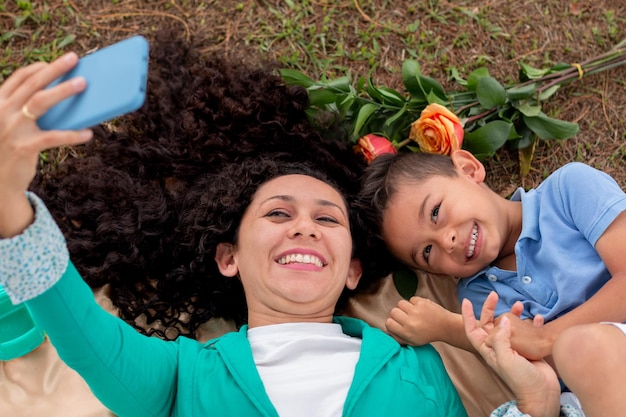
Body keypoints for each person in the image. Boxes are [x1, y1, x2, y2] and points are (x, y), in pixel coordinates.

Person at [0, 39, 584, 417]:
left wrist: (537, 404)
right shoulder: (179, 376)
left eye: (327, 219)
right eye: (278, 213)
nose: (304, 227)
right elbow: (74, 325)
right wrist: (9, 203)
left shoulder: (425, 373)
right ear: (228, 257)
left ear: (354, 268)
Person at [357, 149, 626, 361]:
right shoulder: (480, 296)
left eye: (436, 212)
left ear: (468, 169)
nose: (446, 241)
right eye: (427, 252)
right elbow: (548, 371)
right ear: (437, 273)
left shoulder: (568, 190)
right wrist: (457, 330)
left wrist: (545, 338)